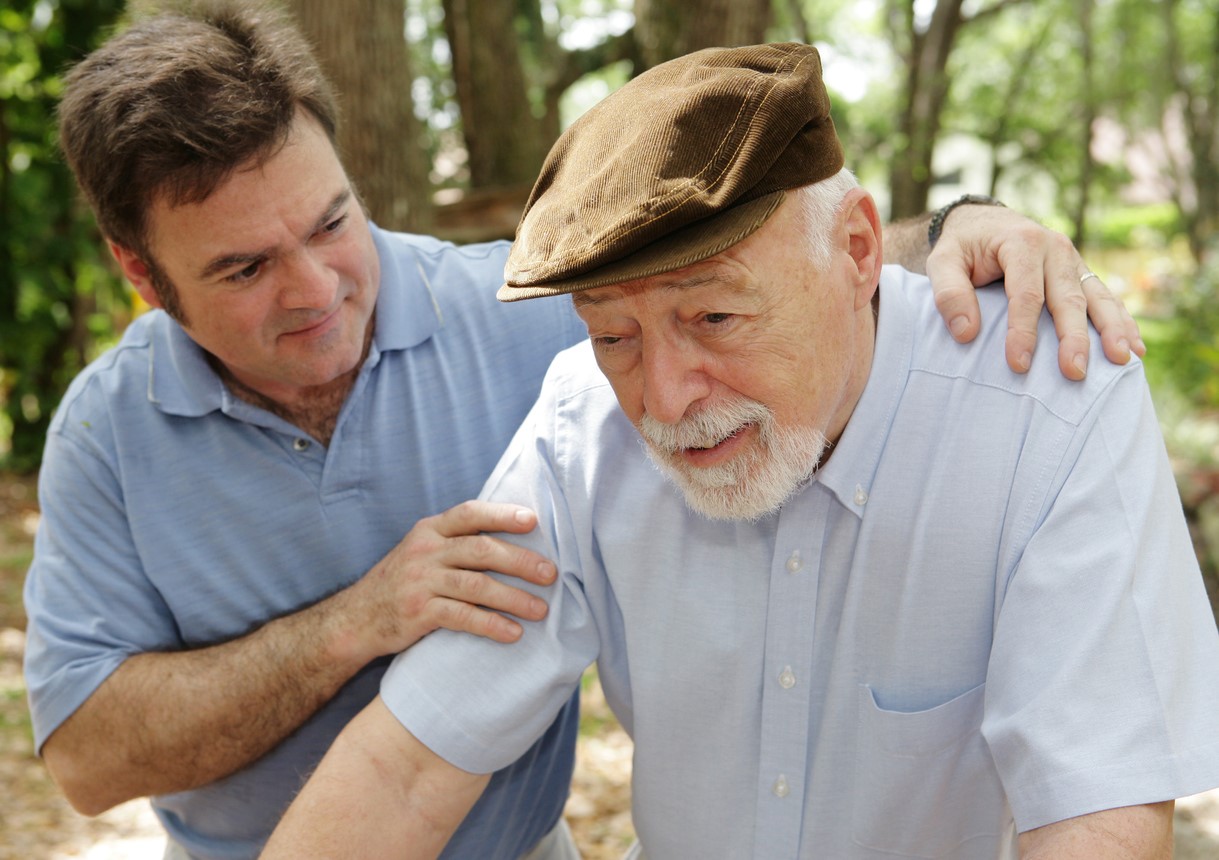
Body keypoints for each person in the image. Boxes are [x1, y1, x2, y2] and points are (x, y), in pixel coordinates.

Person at [22, 3, 1139, 857]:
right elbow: (85, 758)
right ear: (142, 272)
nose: (317, 287)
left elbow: (752, 272)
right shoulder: (106, 438)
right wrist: (352, 623)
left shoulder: (521, 323)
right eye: (246, 267)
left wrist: (965, 227)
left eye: (332, 222)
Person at [262, 43, 1219, 860]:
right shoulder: (578, 426)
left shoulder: (1048, 405)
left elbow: (1097, 811)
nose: (665, 398)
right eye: (613, 336)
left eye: (714, 316)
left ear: (854, 252)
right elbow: (407, 764)